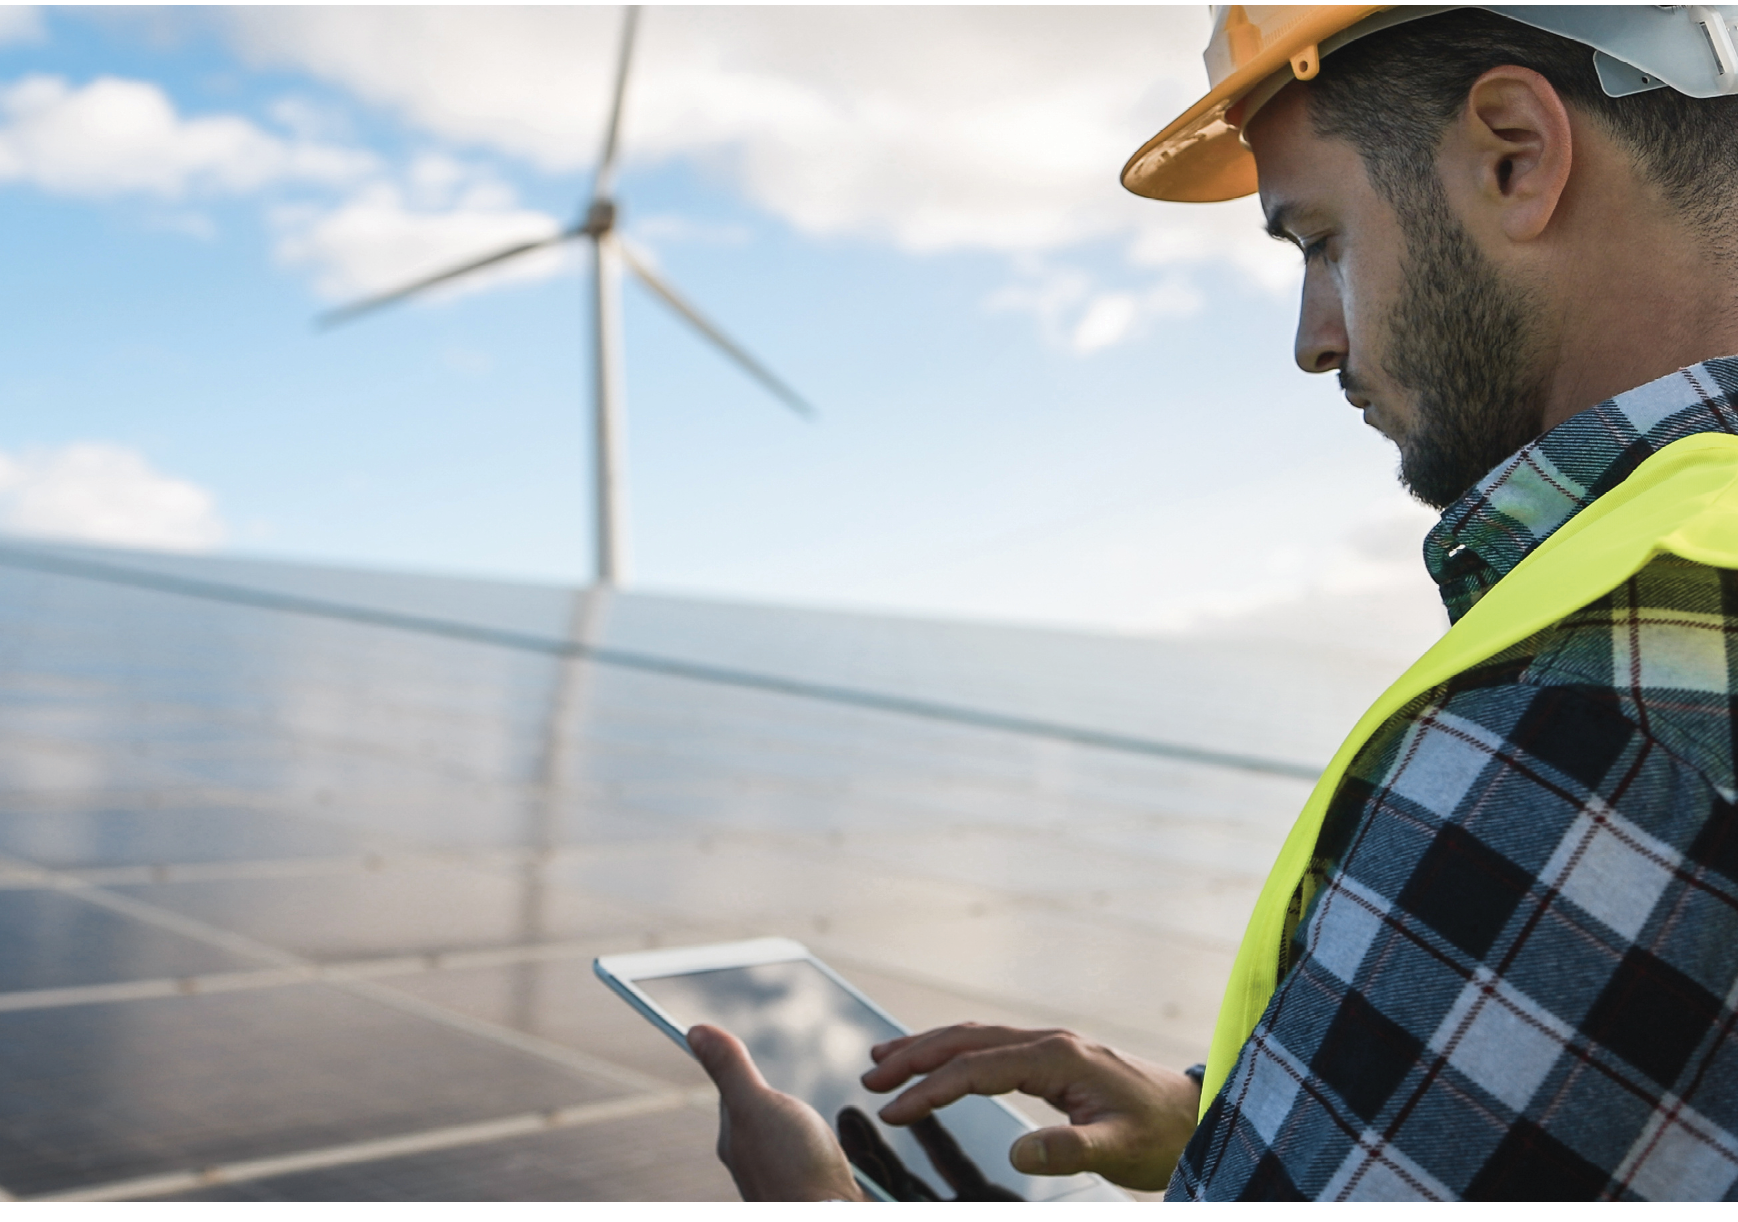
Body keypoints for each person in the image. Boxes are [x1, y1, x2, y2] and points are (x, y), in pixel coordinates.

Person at [689, 6, 1738, 1200]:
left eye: (1319, 239)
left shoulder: (1598, 714)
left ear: (1515, 155)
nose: (1312, 339)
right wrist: (1227, 1123)